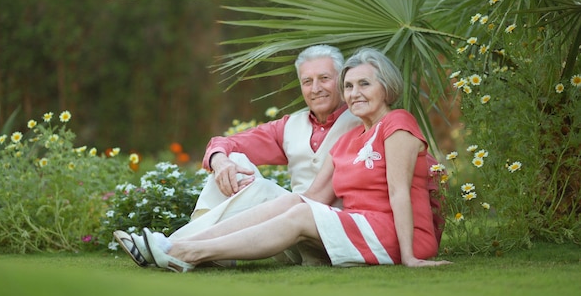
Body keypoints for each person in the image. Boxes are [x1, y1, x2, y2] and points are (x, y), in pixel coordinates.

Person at [139, 47, 452, 272]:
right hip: (362, 227)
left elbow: (400, 192)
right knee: (297, 204)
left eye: (365, 84)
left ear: (386, 87)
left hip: (398, 235)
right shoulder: (346, 141)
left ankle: (190, 252)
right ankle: (176, 246)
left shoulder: (397, 123)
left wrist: (410, 257)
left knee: (301, 215)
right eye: (349, 86)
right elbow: (313, 197)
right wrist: (222, 159)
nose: (354, 93)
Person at [114, 44, 362, 266]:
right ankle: (198, 253)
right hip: (281, 234)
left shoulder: (363, 122)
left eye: (324, 78)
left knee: (262, 189)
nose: (315, 88)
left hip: (327, 234)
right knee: (234, 160)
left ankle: (170, 245)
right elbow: (225, 143)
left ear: (341, 80)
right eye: (307, 81)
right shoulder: (290, 126)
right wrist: (220, 161)